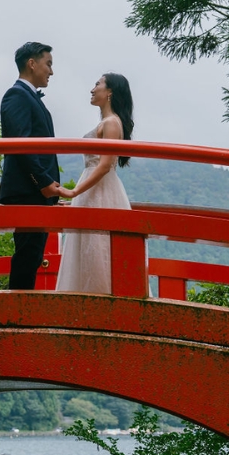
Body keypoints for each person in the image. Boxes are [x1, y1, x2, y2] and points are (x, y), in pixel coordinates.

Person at [55, 73, 134, 294]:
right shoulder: (107, 122)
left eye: (97, 84)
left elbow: (105, 164)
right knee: (90, 248)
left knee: (98, 249)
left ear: (110, 92)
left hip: (99, 189)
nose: (92, 89)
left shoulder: (111, 123)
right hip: (93, 189)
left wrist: (73, 192)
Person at [0, 42, 62, 289]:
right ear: (31, 63)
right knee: (27, 254)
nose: (51, 71)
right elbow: (20, 144)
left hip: (36, 191)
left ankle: (19, 312)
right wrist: (43, 183)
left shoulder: (28, 96)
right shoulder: (16, 95)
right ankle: (16, 314)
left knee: (32, 255)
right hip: (28, 191)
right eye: (49, 64)